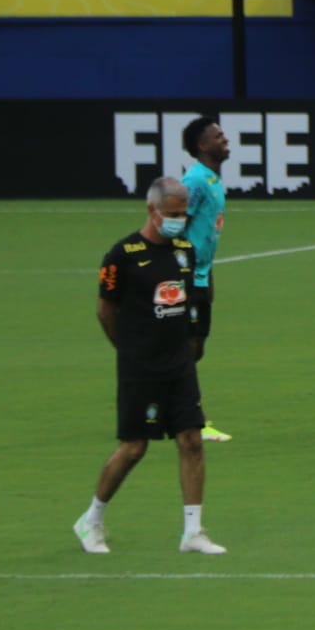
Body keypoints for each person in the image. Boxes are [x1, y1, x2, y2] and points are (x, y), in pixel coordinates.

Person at [75, 177, 225, 555]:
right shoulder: (122, 255)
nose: (178, 220)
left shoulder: (184, 250)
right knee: (134, 447)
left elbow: (189, 301)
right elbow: (104, 310)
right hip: (140, 366)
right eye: (172, 214)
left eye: (183, 213)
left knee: (191, 440)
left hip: (179, 365)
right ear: (152, 210)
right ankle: (91, 520)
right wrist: (128, 350)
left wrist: (190, 343)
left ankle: (193, 531)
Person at [179, 116, 233, 444]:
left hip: (199, 275)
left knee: (195, 348)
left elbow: (206, 235)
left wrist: (208, 274)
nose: (225, 139)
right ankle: (193, 417)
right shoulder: (196, 181)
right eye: (218, 136)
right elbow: (177, 224)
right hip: (185, 276)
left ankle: (168, 402)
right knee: (187, 348)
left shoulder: (211, 179)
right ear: (203, 146)